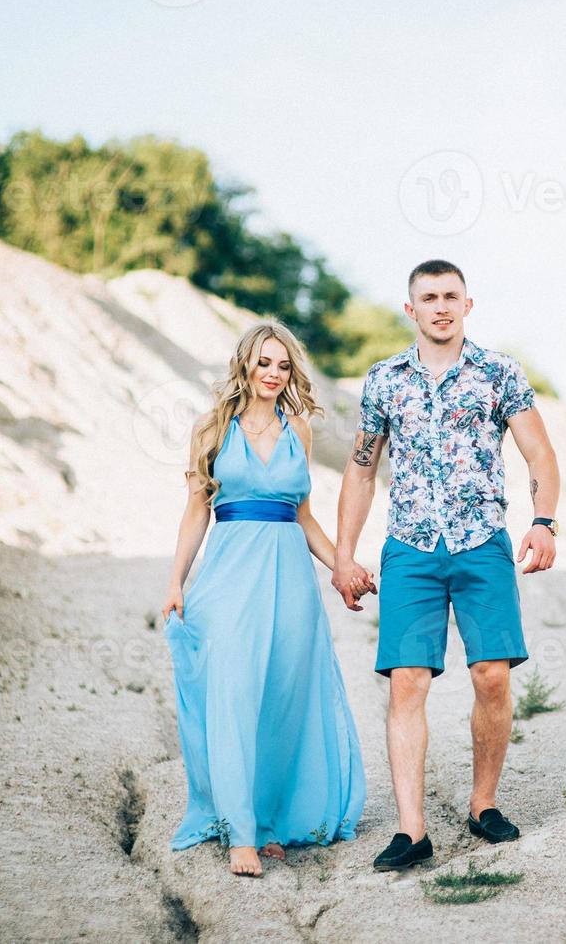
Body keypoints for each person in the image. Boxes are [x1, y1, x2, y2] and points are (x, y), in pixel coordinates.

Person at [333, 259, 562, 872]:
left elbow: (539, 451)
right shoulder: (383, 380)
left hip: (481, 543)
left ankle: (483, 804)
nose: (440, 306)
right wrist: (343, 552)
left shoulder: (498, 373)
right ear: (410, 309)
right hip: (410, 546)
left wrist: (543, 521)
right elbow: (360, 468)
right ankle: (412, 831)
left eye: (450, 297)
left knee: (492, 674)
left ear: (467, 304)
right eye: (428, 298)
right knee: (408, 681)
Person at [160, 320, 368, 877]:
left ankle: (271, 821)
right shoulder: (211, 428)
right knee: (232, 692)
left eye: (283, 365)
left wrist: (343, 566)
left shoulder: (297, 431)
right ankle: (240, 833)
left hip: (290, 579)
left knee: (281, 698)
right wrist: (176, 579)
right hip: (229, 575)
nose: (273, 374)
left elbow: (302, 515)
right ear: (245, 365)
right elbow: (196, 510)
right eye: (264, 363)